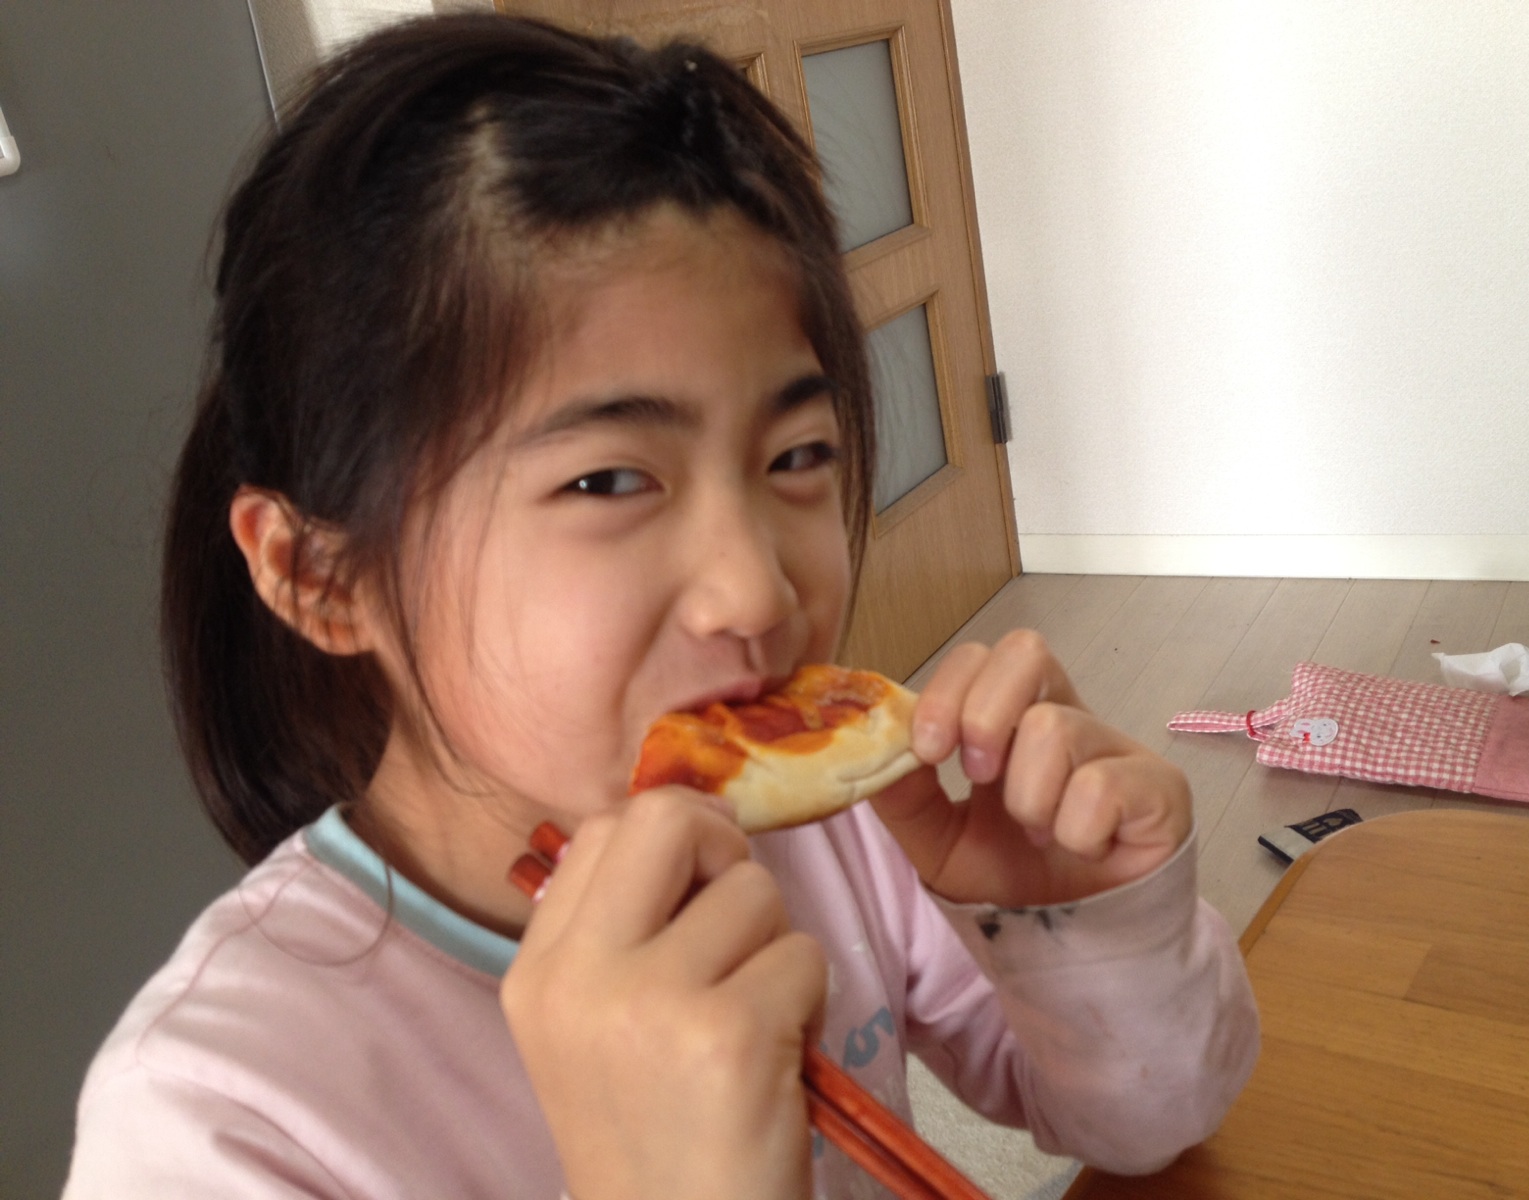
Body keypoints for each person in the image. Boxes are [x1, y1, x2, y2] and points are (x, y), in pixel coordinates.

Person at [63, 13, 1258, 1199]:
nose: (757, 590)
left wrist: (1081, 929)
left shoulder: (837, 831)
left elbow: (1148, 1126)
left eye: (797, 455)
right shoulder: (213, 1117)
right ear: (324, 577)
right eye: (607, 481)